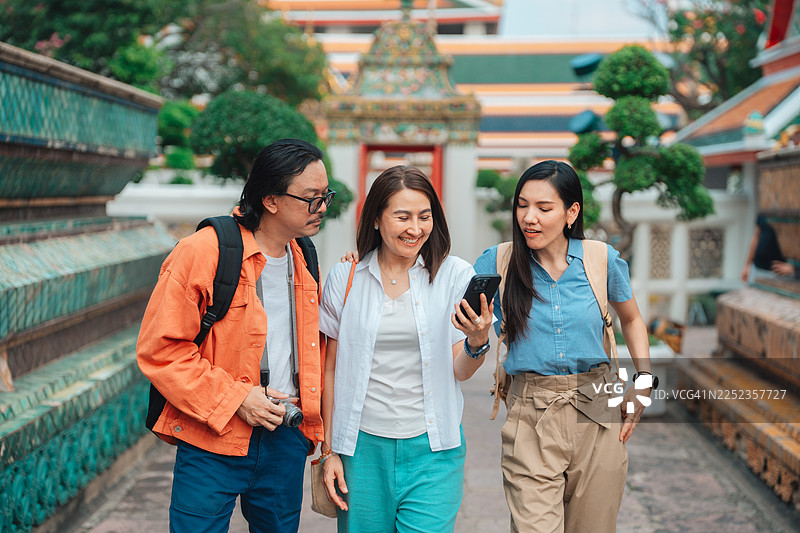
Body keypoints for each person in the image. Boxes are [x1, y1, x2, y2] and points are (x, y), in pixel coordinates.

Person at [137, 138, 333, 532]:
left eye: (326, 196)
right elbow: (160, 350)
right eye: (311, 199)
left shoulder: (304, 257)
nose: (323, 208)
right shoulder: (203, 251)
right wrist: (237, 398)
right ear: (271, 200)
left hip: (284, 436)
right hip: (212, 436)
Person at [474, 160, 654, 533]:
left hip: (598, 410)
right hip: (531, 415)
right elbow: (447, 299)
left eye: (544, 208)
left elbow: (632, 318)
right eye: (522, 205)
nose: (529, 218)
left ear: (571, 213)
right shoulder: (497, 262)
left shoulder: (601, 259)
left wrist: (643, 382)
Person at [318, 166, 494, 532]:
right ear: (376, 219)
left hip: (433, 449)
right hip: (360, 450)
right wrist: (329, 450)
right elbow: (330, 369)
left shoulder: (454, 275)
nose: (415, 228)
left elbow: (460, 370)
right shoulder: (346, 277)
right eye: (403, 217)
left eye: (424, 217)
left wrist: (477, 342)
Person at [741, 214, 799, 282]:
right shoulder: (764, 212)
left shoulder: (791, 214)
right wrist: (747, 265)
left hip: (779, 273)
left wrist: (794, 268)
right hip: (757, 269)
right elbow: (756, 236)